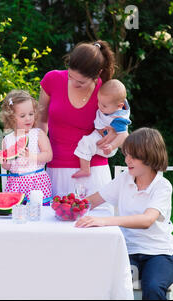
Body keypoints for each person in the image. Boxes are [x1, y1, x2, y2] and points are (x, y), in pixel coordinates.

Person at [75, 128, 173, 300]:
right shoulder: (125, 178)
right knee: (104, 282)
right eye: (126, 155)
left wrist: (105, 221)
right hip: (127, 250)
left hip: (159, 253)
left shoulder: (162, 186)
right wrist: (69, 207)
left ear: (150, 156)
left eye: (133, 156)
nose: (127, 160)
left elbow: (147, 220)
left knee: (152, 287)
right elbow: (95, 200)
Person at [38, 40, 127, 206]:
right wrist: (38, 159)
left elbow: (123, 131)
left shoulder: (106, 92)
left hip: (94, 173)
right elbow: (41, 122)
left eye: (80, 82)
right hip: (55, 170)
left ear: (97, 74)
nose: (73, 83)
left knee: (93, 228)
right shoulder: (52, 79)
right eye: (71, 76)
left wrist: (113, 141)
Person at [0, 90, 53, 204]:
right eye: (22, 116)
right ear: (11, 118)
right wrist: (3, 162)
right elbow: (9, 167)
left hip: (36, 183)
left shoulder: (38, 134)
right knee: (17, 214)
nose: (28, 118)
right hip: (15, 185)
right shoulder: (7, 140)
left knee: (39, 214)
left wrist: (31, 156)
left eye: (31, 114)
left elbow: (48, 155)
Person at [72, 79, 131, 178]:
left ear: (119, 106)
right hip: (100, 135)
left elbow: (123, 135)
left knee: (85, 142)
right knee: (86, 143)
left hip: (107, 144)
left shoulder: (118, 118)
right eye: (99, 102)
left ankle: (85, 169)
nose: (99, 106)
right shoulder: (112, 103)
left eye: (104, 105)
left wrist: (111, 146)